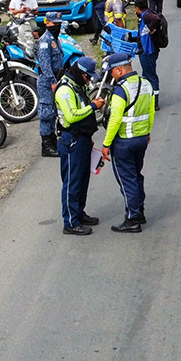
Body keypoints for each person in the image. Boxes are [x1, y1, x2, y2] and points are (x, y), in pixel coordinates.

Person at [101, 52, 155, 233]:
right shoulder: (146, 84)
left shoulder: (120, 90)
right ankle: (139, 212)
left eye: (112, 72)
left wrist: (106, 144)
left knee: (127, 180)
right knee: (137, 176)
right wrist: (147, 132)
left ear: (119, 69)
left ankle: (132, 220)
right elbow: (151, 111)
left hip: (124, 142)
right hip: (141, 140)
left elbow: (115, 120)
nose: (112, 75)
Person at [54, 57, 105, 236]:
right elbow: (71, 116)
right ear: (80, 73)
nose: (89, 80)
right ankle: (70, 222)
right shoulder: (65, 91)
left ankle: (79, 213)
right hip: (71, 141)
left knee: (83, 180)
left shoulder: (77, 85)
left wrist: (88, 137)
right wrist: (93, 106)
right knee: (72, 183)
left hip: (82, 139)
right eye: (88, 77)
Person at [37, 12, 65, 157]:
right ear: (48, 24)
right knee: (46, 113)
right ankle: (46, 145)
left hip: (56, 78)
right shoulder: (44, 41)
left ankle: (53, 140)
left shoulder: (55, 39)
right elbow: (45, 65)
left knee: (54, 112)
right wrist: (53, 82)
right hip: (47, 82)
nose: (58, 26)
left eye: (59, 24)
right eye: (55, 24)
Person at [135, 0, 162, 110]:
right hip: (148, 50)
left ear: (137, 8)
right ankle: (149, 98)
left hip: (148, 51)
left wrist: (150, 28)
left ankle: (155, 101)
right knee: (146, 75)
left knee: (150, 75)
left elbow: (156, 19)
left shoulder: (146, 16)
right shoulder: (146, 14)